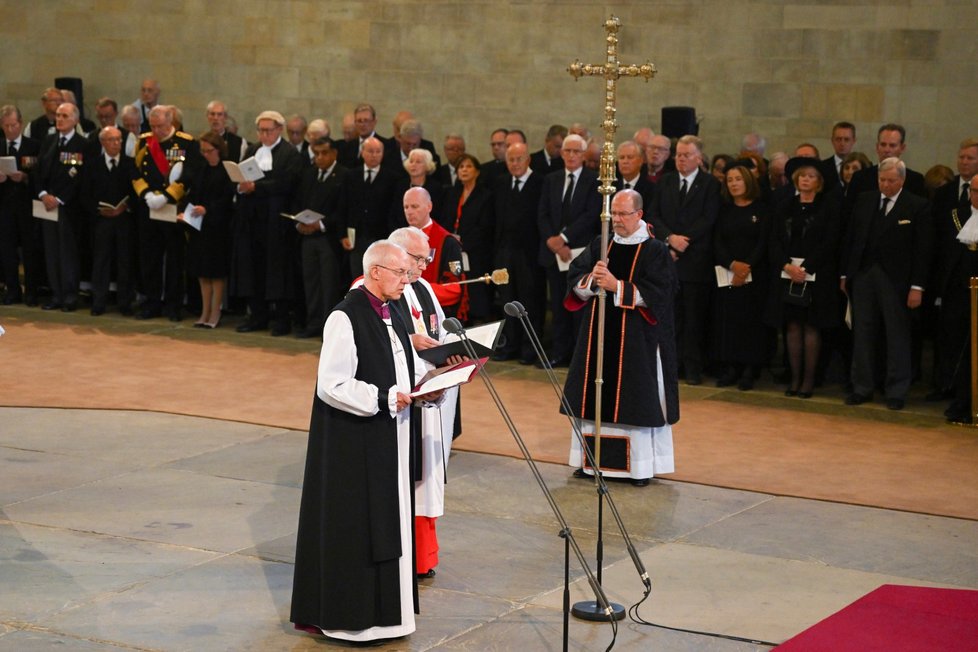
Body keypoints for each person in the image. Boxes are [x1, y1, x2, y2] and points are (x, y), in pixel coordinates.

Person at [290, 240, 442, 645]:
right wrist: (384, 398)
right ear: (375, 271)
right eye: (400, 273)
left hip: (390, 437)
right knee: (360, 528)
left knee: (390, 523)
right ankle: (353, 619)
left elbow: (397, 364)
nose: (407, 279)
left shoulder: (391, 310)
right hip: (357, 443)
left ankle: (391, 617)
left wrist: (426, 387)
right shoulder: (345, 316)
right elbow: (332, 384)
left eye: (408, 273)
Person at [562, 189, 679, 487]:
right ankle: (590, 463)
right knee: (593, 395)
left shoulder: (655, 250)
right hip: (598, 334)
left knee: (633, 398)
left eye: (623, 214)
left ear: (639, 215)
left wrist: (617, 286)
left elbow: (661, 294)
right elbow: (575, 277)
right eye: (613, 213)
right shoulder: (602, 243)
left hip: (637, 340)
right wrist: (591, 280)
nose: (616, 220)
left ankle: (637, 468)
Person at [388, 226, 461, 579]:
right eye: (418, 259)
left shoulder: (424, 288)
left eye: (426, 258)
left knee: (426, 476)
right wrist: (412, 341)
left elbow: (437, 332)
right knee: (409, 478)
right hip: (405, 397)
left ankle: (423, 556)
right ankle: (408, 555)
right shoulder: (374, 290)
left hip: (430, 392)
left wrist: (456, 347)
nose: (423, 266)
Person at [842, 157, 932, 410]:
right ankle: (862, 386)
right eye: (882, 180)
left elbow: (923, 251)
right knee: (862, 333)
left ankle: (896, 389)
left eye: (891, 181)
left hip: (897, 281)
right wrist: (845, 274)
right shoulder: (865, 200)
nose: (886, 185)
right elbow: (852, 238)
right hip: (863, 275)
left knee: (897, 336)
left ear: (901, 180)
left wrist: (917, 287)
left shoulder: (917, 206)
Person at [648, 134, 721, 385]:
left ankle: (692, 366)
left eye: (686, 155)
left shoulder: (710, 184)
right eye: (678, 154)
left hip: (695, 259)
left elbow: (708, 219)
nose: (681, 159)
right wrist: (669, 239)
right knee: (671, 316)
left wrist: (683, 242)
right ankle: (672, 364)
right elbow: (653, 215)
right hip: (667, 258)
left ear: (698, 158)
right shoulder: (666, 182)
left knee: (693, 318)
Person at [767, 157, 841, 398]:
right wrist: (787, 266)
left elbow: (830, 242)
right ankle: (794, 378)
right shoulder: (785, 205)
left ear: (819, 181)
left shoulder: (828, 207)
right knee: (791, 327)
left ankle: (809, 381)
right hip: (787, 272)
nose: (806, 179)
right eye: (802, 175)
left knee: (811, 326)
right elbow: (774, 239)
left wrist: (806, 267)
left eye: (811, 176)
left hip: (816, 275)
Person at [232, 110, 304, 336]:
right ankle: (257, 316)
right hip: (253, 222)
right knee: (254, 269)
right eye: (261, 130)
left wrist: (257, 188)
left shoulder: (290, 154)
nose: (264, 135)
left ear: (279, 130)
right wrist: (242, 186)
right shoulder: (252, 150)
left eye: (268, 130)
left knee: (278, 271)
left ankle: (281, 319)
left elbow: (288, 183)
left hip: (277, 223)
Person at [537, 133, 602, 366]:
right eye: (567, 151)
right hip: (554, 254)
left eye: (576, 151)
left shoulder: (594, 180)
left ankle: (579, 354)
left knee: (579, 304)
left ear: (584, 155)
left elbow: (591, 214)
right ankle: (558, 352)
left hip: (580, 254)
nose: (571, 155)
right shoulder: (551, 179)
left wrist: (564, 238)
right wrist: (552, 241)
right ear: (561, 153)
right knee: (557, 305)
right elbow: (542, 213)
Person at [132, 105, 199, 321]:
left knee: (174, 260)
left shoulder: (187, 143)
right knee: (149, 258)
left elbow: (188, 175)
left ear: (171, 122)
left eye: (160, 126)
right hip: (149, 209)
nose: (156, 130)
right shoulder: (144, 141)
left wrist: (166, 197)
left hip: (172, 208)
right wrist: (147, 195)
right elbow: (135, 173)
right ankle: (152, 303)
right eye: (152, 126)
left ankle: (173, 305)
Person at [712, 163, 771, 390]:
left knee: (751, 322)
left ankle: (749, 369)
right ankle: (731, 367)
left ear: (748, 181)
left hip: (755, 275)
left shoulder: (762, 209)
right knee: (729, 321)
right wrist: (732, 264)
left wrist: (746, 267)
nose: (734, 183)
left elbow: (763, 241)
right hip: (727, 274)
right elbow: (717, 241)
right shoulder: (724, 209)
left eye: (738, 179)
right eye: (730, 180)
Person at [491, 141, 546, 363]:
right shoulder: (502, 183)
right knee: (507, 299)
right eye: (510, 159)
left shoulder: (541, 182)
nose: (514, 163)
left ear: (528, 159)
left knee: (529, 301)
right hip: (506, 252)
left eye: (518, 159)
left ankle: (530, 349)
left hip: (530, 254)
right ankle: (510, 345)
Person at [292, 136, 349, 338]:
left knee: (329, 284)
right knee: (311, 282)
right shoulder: (308, 175)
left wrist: (321, 224)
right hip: (308, 238)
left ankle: (329, 326)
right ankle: (314, 322)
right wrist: (300, 222)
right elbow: (298, 201)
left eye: (324, 153)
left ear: (334, 153)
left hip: (329, 239)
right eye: (316, 153)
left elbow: (343, 209)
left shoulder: (343, 175)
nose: (320, 157)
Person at [36, 103, 88, 312]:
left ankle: (69, 295)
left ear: (75, 120)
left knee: (67, 252)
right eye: (57, 115)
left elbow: (79, 178)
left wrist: (59, 198)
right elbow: (38, 171)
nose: (59, 119)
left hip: (68, 207)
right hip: (46, 205)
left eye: (64, 116)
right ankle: (56, 294)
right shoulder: (49, 141)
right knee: (51, 251)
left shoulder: (82, 144)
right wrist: (43, 194)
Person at [82, 126, 137, 316]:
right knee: (101, 261)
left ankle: (125, 302)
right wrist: (99, 210)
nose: (116, 143)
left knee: (125, 261)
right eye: (112, 140)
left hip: (124, 220)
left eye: (119, 140)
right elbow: (85, 194)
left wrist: (126, 207)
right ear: (103, 142)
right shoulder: (92, 165)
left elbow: (135, 193)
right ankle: (99, 301)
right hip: (101, 221)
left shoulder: (130, 164)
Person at [184, 131, 235, 328]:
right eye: (202, 150)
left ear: (218, 149)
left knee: (216, 273)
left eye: (208, 150)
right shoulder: (201, 169)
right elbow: (192, 193)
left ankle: (215, 312)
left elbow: (227, 200)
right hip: (200, 227)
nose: (205, 154)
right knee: (202, 272)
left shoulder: (226, 170)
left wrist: (208, 209)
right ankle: (204, 311)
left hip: (218, 228)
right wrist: (187, 211)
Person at [940, 176, 978, 423]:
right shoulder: (957, 214)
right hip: (958, 292)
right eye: (975, 190)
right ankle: (961, 399)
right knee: (958, 345)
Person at [440, 153, 493, 322]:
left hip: (475, 251)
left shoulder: (485, 195)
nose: (464, 170)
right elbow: (446, 220)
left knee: (475, 289)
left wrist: (464, 244)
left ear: (477, 171)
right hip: (454, 249)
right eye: (461, 167)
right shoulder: (452, 193)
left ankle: (477, 319)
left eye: (469, 166)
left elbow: (485, 226)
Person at [0, 104, 42, 305]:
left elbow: (39, 174)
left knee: (29, 250)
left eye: (13, 125)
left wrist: (25, 177)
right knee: (7, 250)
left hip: (26, 206)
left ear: (20, 123)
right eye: (6, 126)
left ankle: (32, 292)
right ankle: (12, 290)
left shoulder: (33, 146)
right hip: (4, 207)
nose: (10, 129)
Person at [402, 187, 465, 317]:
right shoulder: (398, 240)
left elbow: (455, 289)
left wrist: (415, 292)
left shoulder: (447, 242)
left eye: (414, 206)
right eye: (406, 207)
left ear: (429, 207)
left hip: (435, 312)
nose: (409, 212)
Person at [391, 147, 443, 228]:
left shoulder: (435, 188)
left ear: (427, 165)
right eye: (411, 161)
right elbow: (394, 214)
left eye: (418, 162)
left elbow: (437, 215)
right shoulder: (400, 185)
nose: (413, 165)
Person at [822, 121, 857, 190]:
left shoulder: (863, 166)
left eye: (846, 139)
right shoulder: (822, 167)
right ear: (832, 141)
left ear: (854, 141)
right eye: (838, 139)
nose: (842, 143)